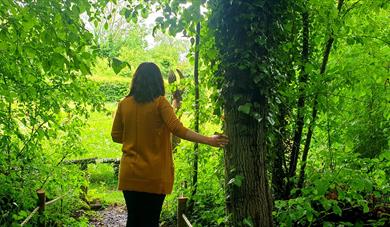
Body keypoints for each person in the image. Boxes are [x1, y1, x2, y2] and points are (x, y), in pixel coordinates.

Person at [111, 62, 228, 227]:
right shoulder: (160, 103)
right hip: (154, 174)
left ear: (135, 80)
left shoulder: (124, 104)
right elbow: (178, 130)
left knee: (134, 220)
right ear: (158, 81)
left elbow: (115, 136)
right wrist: (209, 140)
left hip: (130, 173)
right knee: (151, 221)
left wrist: (136, 137)